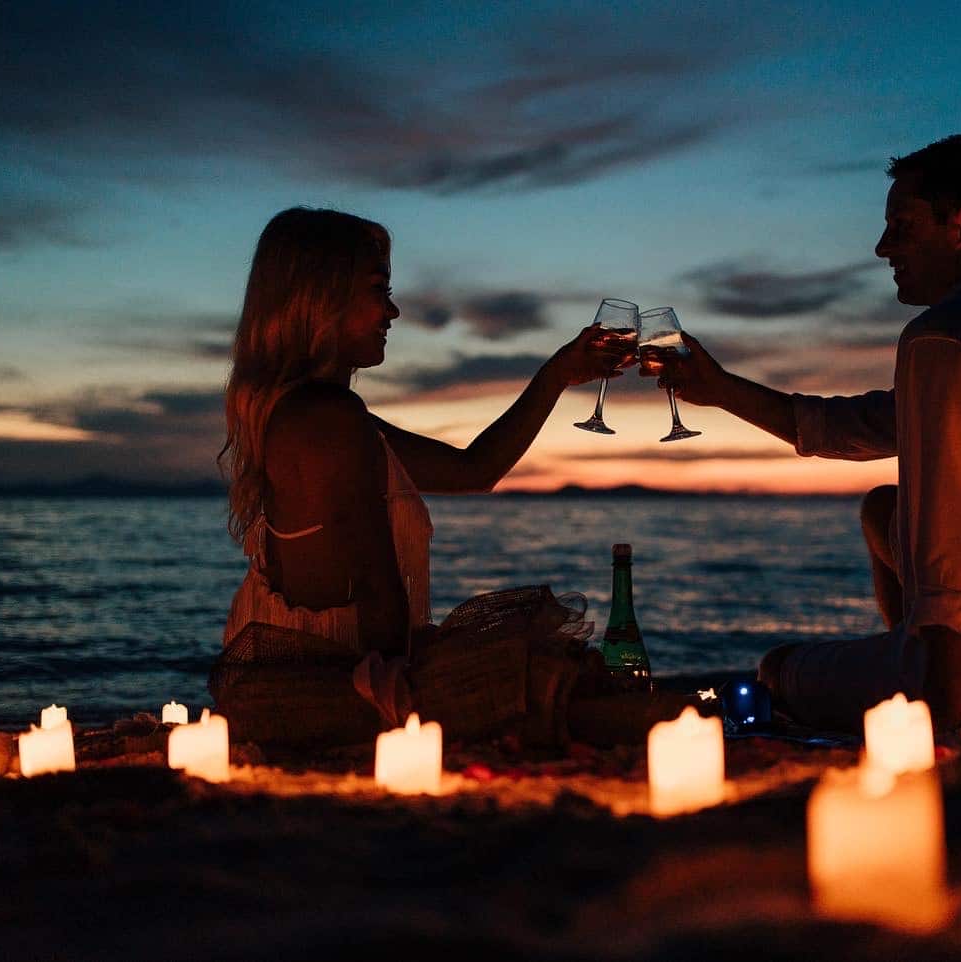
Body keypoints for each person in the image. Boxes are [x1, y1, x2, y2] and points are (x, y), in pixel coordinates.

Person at [652, 135, 961, 733]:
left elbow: (958, 545)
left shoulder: (942, 339)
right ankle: (908, 656)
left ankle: (926, 682)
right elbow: (845, 427)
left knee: (776, 669)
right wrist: (721, 389)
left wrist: (938, 731)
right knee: (882, 510)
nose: (883, 246)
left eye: (902, 226)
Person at [215, 207, 683, 749]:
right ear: (320, 299)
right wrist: (409, 721)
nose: (393, 310)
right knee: (553, 692)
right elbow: (377, 589)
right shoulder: (328, 418)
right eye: (378, 289)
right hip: (345, 690)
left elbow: (474, 469)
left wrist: (557, 374)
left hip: (337, 673)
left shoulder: (313, 412)